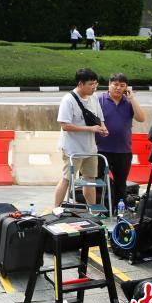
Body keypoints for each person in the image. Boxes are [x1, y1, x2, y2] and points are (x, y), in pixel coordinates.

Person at [54, 68, 108, 209]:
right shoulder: (68, 100)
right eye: (91, 84)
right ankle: (56, 208)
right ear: (80, 84)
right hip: (72, 149)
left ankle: (92, 210)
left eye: (96, 84)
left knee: (90, 180)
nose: (94, 87)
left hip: (90, 148)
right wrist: (91, 129)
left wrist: (102, 127)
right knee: (67, 179)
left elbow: (99, 118)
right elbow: (65, 125)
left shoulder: (94, 98)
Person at [95, 73, 146, 213]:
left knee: (121, 184)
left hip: (123, 150)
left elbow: (141, 118)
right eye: (115, 84)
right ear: (109, 85)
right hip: (101, 149)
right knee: (99, 182)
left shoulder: (129, 102)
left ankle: (120, 210)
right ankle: (103, 209)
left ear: (126, 87)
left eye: (122, 85)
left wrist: (132, 98)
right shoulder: (99, 100)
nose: (118, 88)